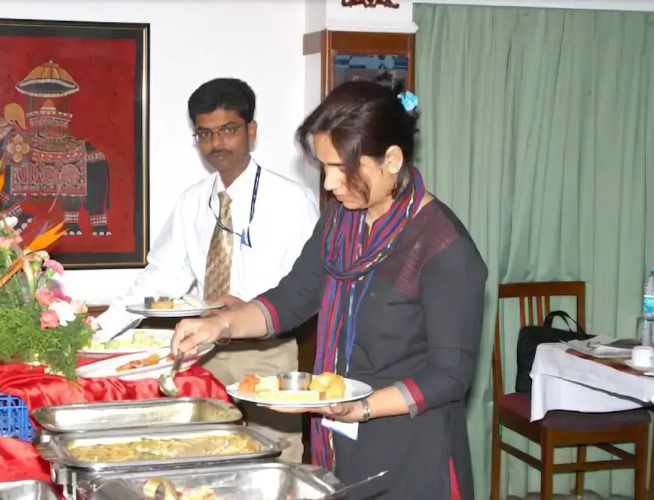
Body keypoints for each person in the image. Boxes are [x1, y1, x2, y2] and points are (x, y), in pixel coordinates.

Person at [170, 80, 488, 499]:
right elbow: (293, 297)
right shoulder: (341, 219)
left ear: (392, 160)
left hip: (411, 451)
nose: (330, 184)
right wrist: (220, 325)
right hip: (340, 440)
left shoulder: (443, 246)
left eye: (343, 168)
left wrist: (362, 407)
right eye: (325, 167)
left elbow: (449, 375)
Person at [95, 77, 319, 462]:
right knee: (203, 456)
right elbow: (161, 276)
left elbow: (309, 285)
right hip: (204, 353)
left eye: (228, 130)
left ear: (251, 131)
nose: (217, 143)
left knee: (274, 459)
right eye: (205, 133)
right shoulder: (193, 201)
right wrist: (102, 330)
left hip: (266, 353)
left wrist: (251, 309)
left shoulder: (292, 200)